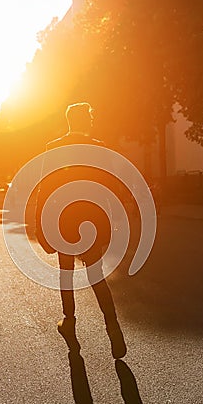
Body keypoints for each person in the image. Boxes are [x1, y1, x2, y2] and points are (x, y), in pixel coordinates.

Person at [35, 102, 126, 359]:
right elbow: (111, 188)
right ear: (85, 122)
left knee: (66, 273)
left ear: (69, 122)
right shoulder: (99, 148)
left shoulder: (53, 148)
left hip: (62, 221)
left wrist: (41, 225)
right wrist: (115, 220)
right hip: (91, 221)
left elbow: (45, 191)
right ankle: (112, 325)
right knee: (96, 275)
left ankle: (69, 321)